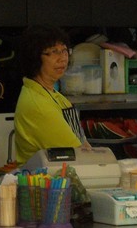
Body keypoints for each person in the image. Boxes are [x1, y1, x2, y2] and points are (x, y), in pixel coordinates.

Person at [13, 25, 89, 165]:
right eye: (54, 52)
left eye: (64, 51)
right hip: (46, 183)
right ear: (35, 57)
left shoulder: (54, 95)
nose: (63, 58)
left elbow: (83, 145)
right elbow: (76, 153)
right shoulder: (38, 104)